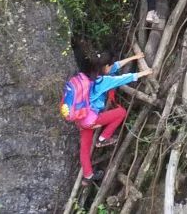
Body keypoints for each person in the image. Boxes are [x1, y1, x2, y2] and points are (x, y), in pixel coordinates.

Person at [63, 46, 152, 184]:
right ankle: (103, 139)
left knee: (85, 148)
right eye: (110, 66)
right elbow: (122, 79)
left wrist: (134, 58)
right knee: (121, 112)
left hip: (80, 119)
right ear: (105, 67)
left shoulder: (87, 74)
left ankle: (88, 175)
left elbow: (115, 66)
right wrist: (144, 73)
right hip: (92, 120)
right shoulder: (103, 82)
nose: (112, 68)